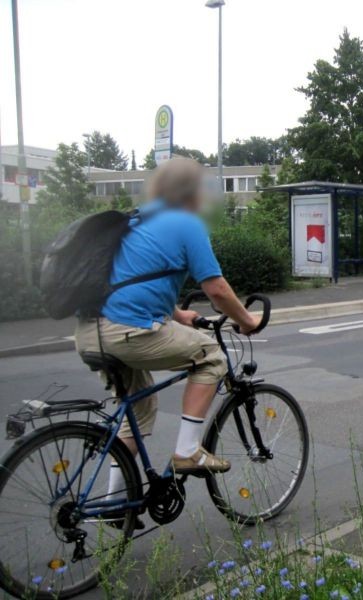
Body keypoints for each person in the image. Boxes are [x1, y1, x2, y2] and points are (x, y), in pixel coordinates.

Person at [75, 157, 260, 506]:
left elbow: (132, 279)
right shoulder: (185, 223)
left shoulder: (136, 219)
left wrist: (176, 314)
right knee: (211, 357)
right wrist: (247, 320)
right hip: (127, 332)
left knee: (139, 408)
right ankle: (188, 451)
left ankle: (116, 503)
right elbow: (217, 289)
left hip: (90, 331)